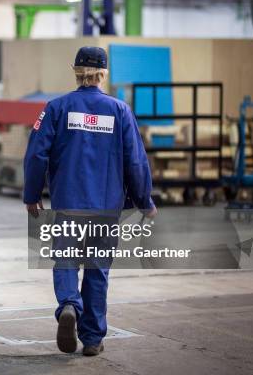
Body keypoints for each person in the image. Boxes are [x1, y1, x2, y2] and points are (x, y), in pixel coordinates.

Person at [22, 46, 157, 356]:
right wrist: (144, 200)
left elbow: (36, 155)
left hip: (68, 202)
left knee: (66, 259)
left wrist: (32, 195)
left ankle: (69, 304)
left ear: (76, 71)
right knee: (97, 269)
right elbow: (136, 161)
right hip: (106, 207)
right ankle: (93, 339)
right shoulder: (120, 111)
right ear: (103, 74)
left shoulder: (56, 108)